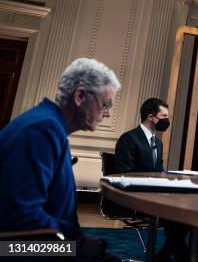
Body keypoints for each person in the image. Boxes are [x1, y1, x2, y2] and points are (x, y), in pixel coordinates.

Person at [0, 58, 121, 260]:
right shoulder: (42, 129)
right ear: (80, 96)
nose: (108, 114)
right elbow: (20, 218)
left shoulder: (48, 123)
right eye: (106, 104)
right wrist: (76, 247)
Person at [114, 98, 189, 261]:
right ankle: (180, 256)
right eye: (164, 116)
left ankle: (164, 256)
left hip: (155, 196)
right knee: (174, 215)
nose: (167, 120)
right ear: (150, 117)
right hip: (135, 198)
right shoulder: (128, 139)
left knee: (186, 214)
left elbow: (158, 173)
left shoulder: (158, 143)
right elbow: (124, 174)